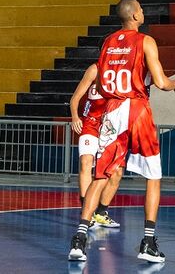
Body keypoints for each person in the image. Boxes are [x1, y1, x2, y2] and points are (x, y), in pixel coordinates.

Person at [68, 0, 175, 264]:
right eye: (141, 10)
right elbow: (159, 81)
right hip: (136, 109)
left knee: (101, 174)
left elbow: (105, 75)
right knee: (153, 176)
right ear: (134, 16)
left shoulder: (108, 43)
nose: (143, 13)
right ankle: (148, 242)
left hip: (111, 110)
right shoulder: (145, 41)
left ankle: (79, 238)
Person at [69, 63, 122, 228]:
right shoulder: (95, 70)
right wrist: (75, 117)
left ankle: (101, 212)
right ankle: (87, 211)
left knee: (116, 172)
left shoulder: (124, 71)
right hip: (91, 124)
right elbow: (75, 97)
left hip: (111, 127)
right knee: (86, 163)